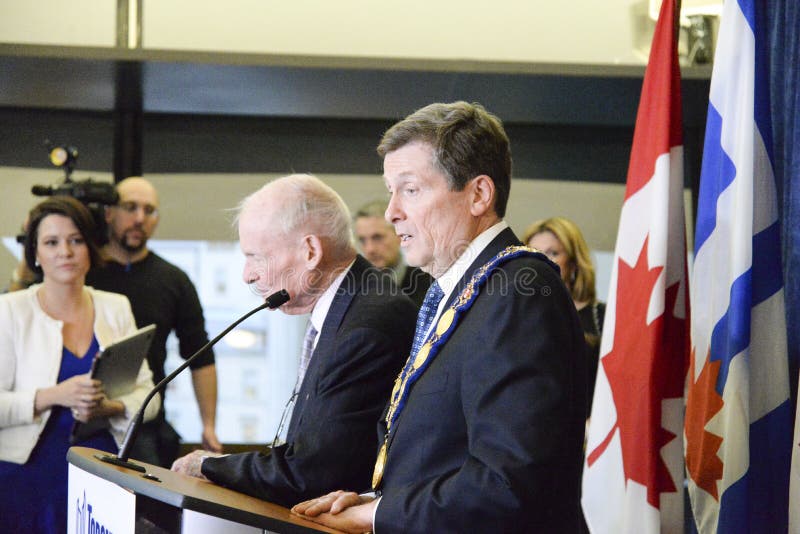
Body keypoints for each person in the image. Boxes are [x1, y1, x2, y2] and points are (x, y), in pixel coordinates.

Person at [292, 102, 587, 533]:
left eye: (410, 190)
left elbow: (508, 482)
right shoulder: (458, 291)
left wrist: (378, 516)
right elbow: (442, 453)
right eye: (391, 190)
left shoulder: (518, 290)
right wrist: (377, 498)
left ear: (479, 195)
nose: (393, 211)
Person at [170, 174, 417, 507]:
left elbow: (312, 473)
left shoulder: (368, 324)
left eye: (256, 256)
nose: (248, 274)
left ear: (311, 251)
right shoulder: (349, 304)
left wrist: (209, 466)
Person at [0, 196, 159, 533]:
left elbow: (151, 398)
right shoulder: (10, 310)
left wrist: (109, 407)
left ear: (91, 247)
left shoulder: (116, 307)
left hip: (101, 474)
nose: (65, 252)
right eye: (51, 242)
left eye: (76, 240)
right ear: (36, 254)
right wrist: (55, 394)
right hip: (25, 477)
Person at [85, 176, 220, 467]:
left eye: (149, 211)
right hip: (80, 414)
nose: (139, 218)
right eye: (130, 207)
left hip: (142, 420)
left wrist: (208, 425)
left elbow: (200, 356)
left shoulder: (174, 280)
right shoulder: (82, 272)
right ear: (109, 213)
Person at [524, 216, 605, 413]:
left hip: (589, 435)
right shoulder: (515, 318)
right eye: (534, 253)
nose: (542, 262)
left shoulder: (602, 317)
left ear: (574, 262)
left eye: (553, 253)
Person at [354, 199, 433, 306]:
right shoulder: (354, 289)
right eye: (362, 240)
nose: (369, 249)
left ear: (399, 234)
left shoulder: (430, 284)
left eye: (377, 238)